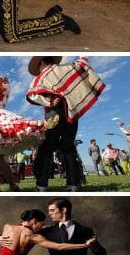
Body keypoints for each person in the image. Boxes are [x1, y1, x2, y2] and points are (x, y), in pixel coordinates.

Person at [27, 57, 105, 191]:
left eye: (38, 67)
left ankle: (42, 185)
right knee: (68, 146)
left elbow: (33, 95)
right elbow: (82, 64)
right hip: (71, 110)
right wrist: (84, 57)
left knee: (46, 146)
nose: (38, 69)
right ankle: (73, 183)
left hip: (54, 113)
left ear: (41, 63)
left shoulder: (41, 77)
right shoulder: (67, 68)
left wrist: (50, 101)